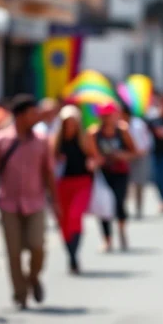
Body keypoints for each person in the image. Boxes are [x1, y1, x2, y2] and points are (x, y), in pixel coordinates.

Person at [0, 95, 59, 310]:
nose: (36, 117)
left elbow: (49, 173)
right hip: (8, 203)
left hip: (35, 202)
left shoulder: (42, 141)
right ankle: (20, 293)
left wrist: (55, 202)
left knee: (37, 246)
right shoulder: (0, 140)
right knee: (13, 252)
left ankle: (33, 277)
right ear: (21, 116)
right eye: (32, 113)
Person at [52, 105, 97, 274]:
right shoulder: (56, 142)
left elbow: (94, 157)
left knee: (75, 216)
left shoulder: (84, 139)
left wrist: (92, 163)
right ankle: (71, 256)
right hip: (62, 184)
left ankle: (74, 254)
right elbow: (49, 163)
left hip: (82, 182)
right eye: (67, 122)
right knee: (63, 221)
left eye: (73, 122)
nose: (70, 125)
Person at [91, 102, 136, 252]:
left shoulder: (122, 130)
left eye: (110, 115)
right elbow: (91, 154)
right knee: (103, 205)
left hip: (121, 172)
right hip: (103, 174)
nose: (108, 119)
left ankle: (122, 230)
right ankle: (107, 238)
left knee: (119, 202)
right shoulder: (94, 133)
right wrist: (97, 160)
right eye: (105, 116)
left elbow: (133, 152)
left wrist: (123, 156)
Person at [126, 105, 153, 219]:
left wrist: (142, 151)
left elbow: (147, 140)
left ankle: (139, 208)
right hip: (126, 157)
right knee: (126, 184)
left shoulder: (138, 124)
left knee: (139, 183)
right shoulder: (119, 125)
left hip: (140, 156)